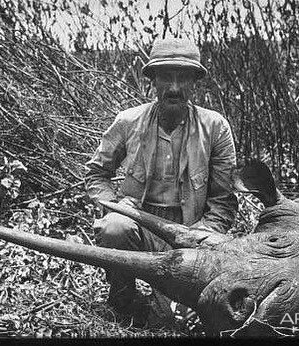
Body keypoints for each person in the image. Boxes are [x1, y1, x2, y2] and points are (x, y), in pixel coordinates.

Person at [85, 37, 237, 327]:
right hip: (139, 224)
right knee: (115, 228)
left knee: (170, 322)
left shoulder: (215, 127)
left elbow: (223, 202)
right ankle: (123, 296)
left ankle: (170, 301)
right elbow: (96, 173)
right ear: (153, 80)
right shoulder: (129, 121)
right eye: (166, 77)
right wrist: (116, 206)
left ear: (195, 82)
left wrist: (200, 237)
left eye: (183, 78)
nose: (175, 87)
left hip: (189, 231)